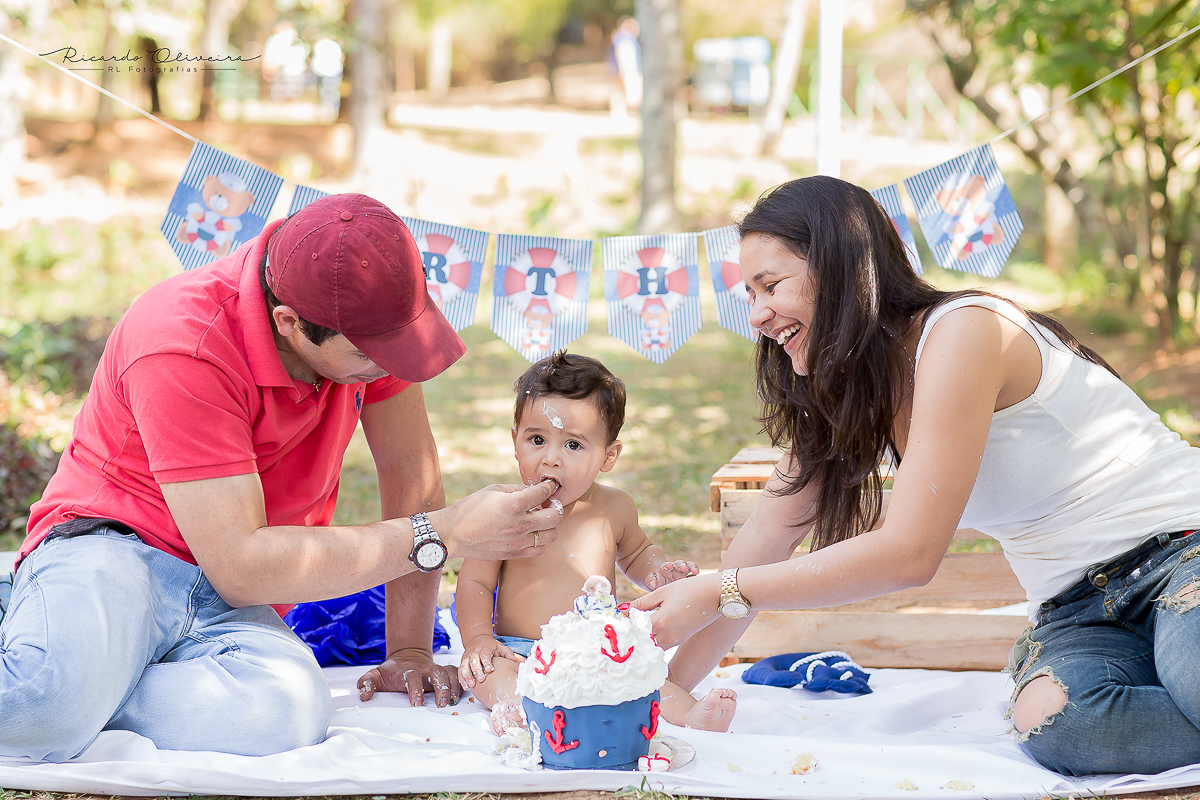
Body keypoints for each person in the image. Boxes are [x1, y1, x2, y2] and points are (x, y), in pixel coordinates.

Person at [633, 176, 1200, 777]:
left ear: (841, 267)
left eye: (771, 286)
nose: (758, 316)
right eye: (750, 295)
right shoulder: (845, 394)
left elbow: (910, 554)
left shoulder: (963, 331)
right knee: (1062, 728)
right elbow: (762, 544)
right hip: (1076, 612)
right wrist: (655, 692)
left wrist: (719, 588)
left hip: (1181, 555)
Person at [0, 193, 562, 763]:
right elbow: (244, 564)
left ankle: (84, 669)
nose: (391, 366)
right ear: (289, 323)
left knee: (286, 713)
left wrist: (411, 649)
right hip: (116, 549)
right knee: (40, 713)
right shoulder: (183, 340)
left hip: (229, 593)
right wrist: (447, 532)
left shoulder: (367, 320)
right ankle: (53, 649)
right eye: (372, 353)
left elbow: (407, 477)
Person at [456, 351, 738, 734]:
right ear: (515, 441)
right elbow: (475, 581)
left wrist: (658, 572)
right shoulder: (503, 512)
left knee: (641, 676)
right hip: (520, 651)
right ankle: (517, 705)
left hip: (597, 650)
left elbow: (638, 553)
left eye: (573, 445)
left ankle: (690, 714)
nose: (551, 459)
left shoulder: (614, 507)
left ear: (609, 455)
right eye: (537, 439)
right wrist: (478, 639)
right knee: (487, 674)